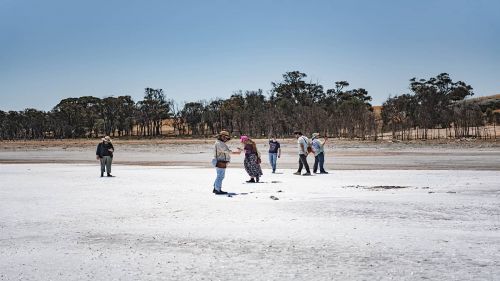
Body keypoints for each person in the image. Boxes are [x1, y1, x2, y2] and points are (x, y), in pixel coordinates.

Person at [213, 130, 239, 195]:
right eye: (224, 136)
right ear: (221, 136)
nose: (226, 138)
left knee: (219, 176)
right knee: (220, 176)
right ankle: (217, 190)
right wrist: (236, 153)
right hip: (220, 161)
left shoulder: (219, 142)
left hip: (219, 161)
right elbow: (226, 151)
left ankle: (216, 188)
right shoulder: (219, 143)